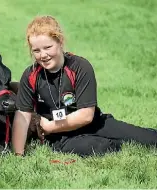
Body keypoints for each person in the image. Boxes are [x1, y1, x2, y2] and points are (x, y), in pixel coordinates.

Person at [11, 15, 157, 157]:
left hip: (92, 123)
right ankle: (112, 145)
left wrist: (49, 127)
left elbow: (86, 115)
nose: (43, 55)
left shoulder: (80, 67)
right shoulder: (30, 75)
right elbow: (22, 115)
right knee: (101, 147)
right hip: (60, 136)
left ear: (60, 42)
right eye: (36, 50)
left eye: (48, 47)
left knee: (147, 138)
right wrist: (18, 154)